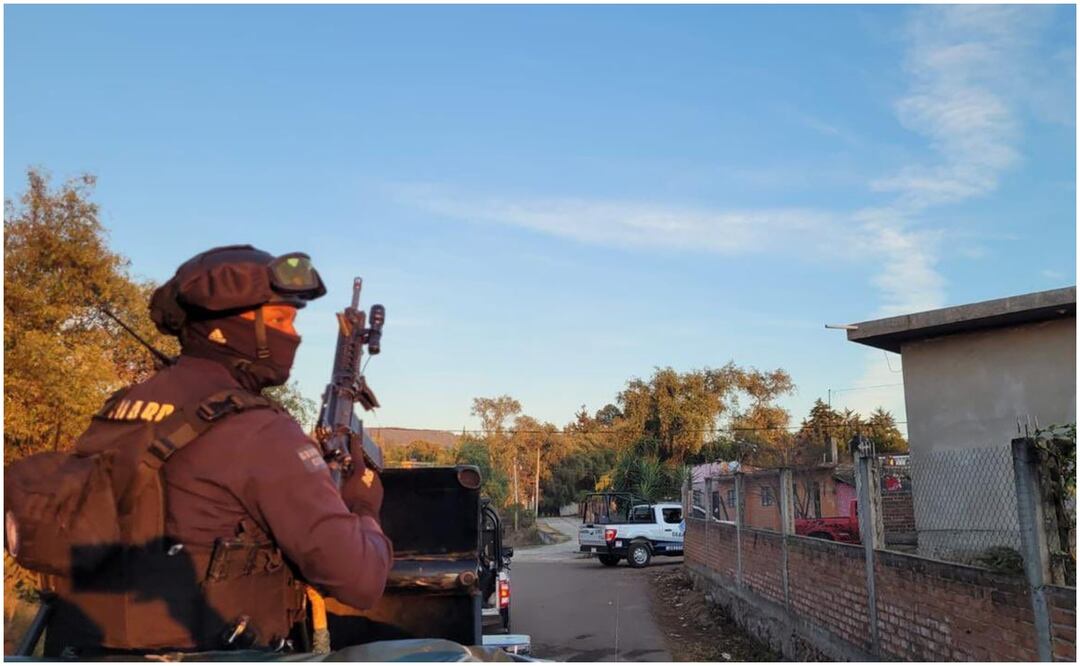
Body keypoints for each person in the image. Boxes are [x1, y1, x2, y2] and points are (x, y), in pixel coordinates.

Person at [42, 245, 393, 656]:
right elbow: (361, 580)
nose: (294, 335)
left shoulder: (117, 409)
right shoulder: (259, 430)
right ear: (229, 327)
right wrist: (363, 506)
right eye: (280, 319)